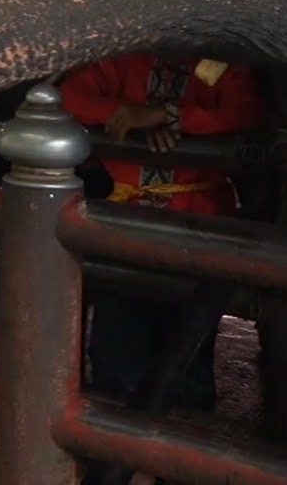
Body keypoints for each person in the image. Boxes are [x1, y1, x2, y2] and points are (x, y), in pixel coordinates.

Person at [58, 50, 265, 414]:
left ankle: (182, 457)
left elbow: (245, 112)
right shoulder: (125, 56)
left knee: (188, 354)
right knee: (114, 351)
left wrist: (172, 116)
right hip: (124, 230)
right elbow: (72, 98)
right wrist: (128, 115)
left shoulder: (220, 61)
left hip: (197, 231)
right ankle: (121, 459)